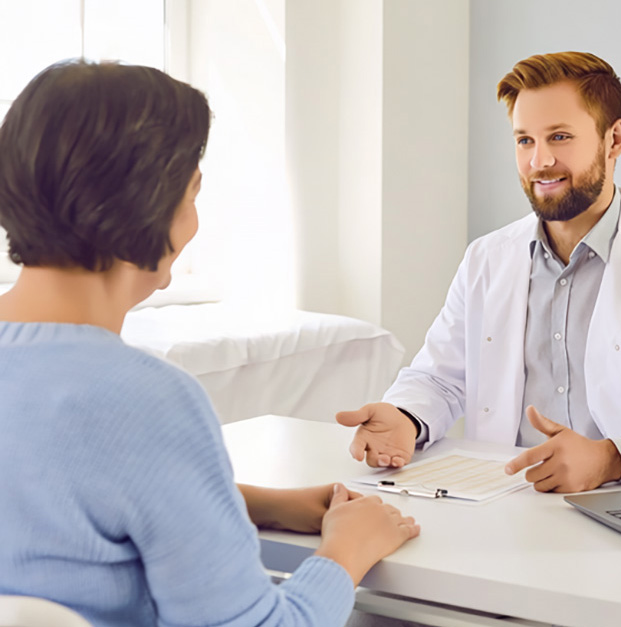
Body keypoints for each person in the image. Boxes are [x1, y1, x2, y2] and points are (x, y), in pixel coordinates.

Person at [0, 60, 419, 626]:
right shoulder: (145, 400)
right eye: (192, 191)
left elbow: (59, 504)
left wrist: (260, 504)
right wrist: (347, 552)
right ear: (152, 203)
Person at [337, 51, 621, 492]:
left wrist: (611, 459)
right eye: (525, 140)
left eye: (559, 137)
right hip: (505, 501)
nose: (539, 161)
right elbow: (439, 377)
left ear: (614, 139)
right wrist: (405, 417)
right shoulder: (487, 258)